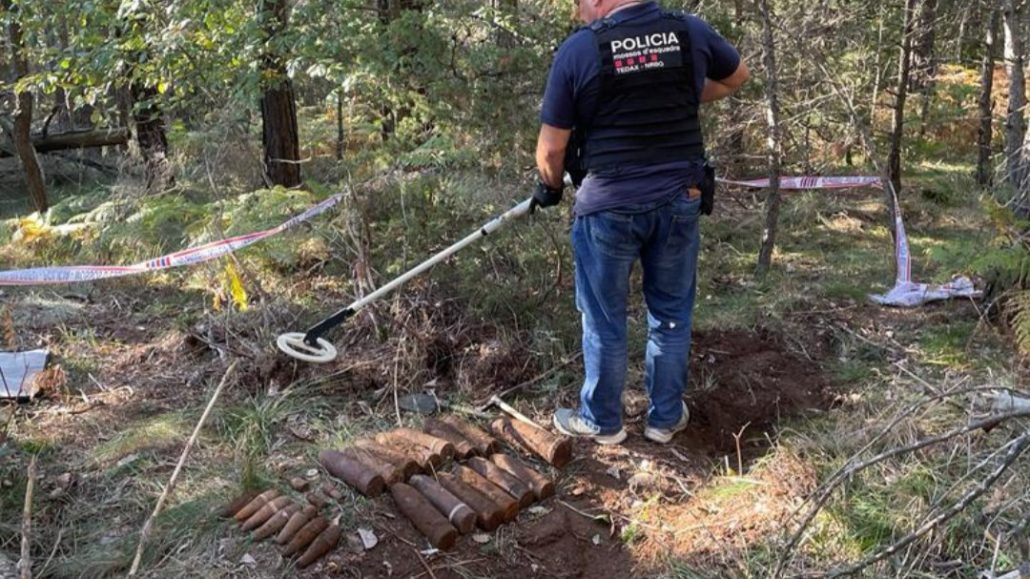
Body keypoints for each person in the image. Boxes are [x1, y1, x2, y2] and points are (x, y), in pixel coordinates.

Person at [531, 0, 748, 445]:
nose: (579, 14)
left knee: (604, 318)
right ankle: (665, 419)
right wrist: (681, 90)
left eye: (579, 4)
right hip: (679, 199)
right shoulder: (688, 31)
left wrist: (550, 187)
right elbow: (737, 76)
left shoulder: (580, 50)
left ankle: (602, 422)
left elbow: (551, 150)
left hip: (609, 204)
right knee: (670, 313)